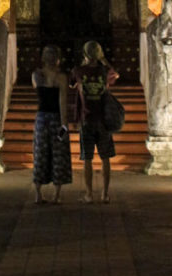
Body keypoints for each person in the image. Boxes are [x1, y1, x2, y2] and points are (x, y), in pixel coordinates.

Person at [71, 40, 119, 204]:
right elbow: (115, 74)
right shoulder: (104, 70)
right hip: (103, 119)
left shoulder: (78, 71)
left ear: (85, 54)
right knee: (105, 158)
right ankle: (105, 194)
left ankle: (89, 194)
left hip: (87, 119)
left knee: (88, 159)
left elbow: (72, 84)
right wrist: (103, 59)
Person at [31, 45, 72, 204]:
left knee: (40, 153)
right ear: (57, 59)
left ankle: (38, 193)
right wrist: (64, 125)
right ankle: (56, 195)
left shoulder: (36, 75)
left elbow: (38, 92)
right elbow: (62, 102)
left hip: (41, 118)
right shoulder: (61, 77)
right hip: (56, 119)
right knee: (58, 155)